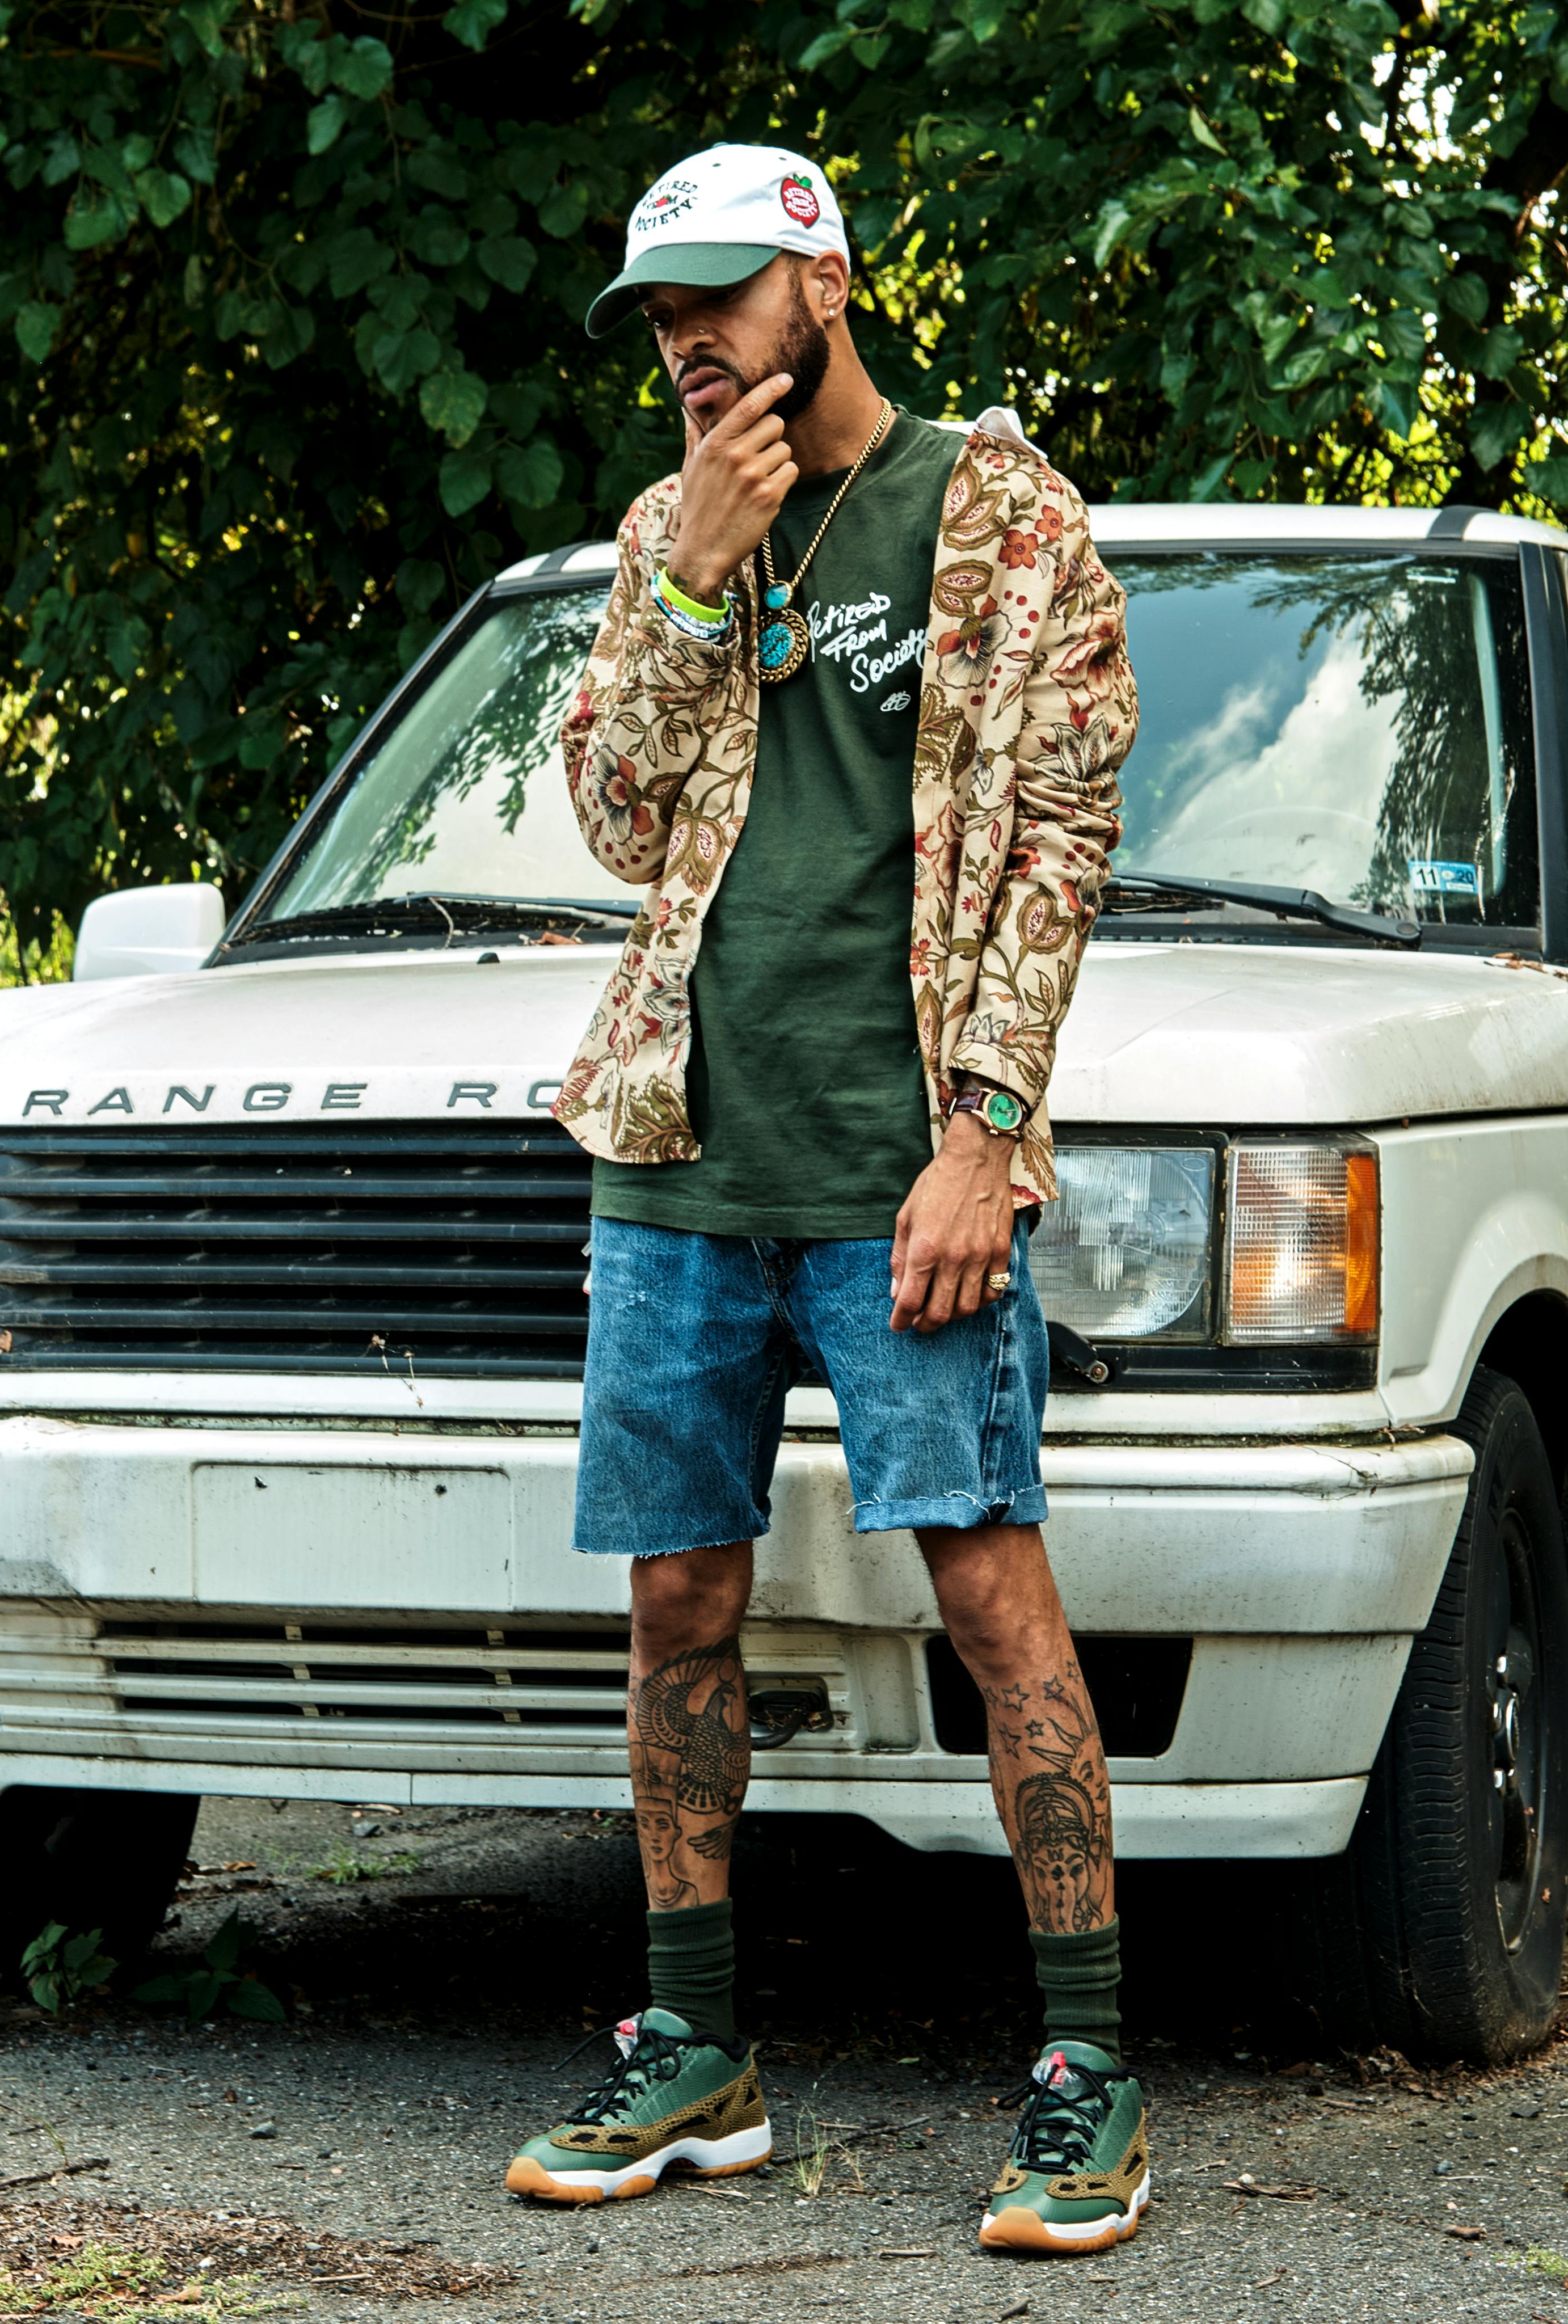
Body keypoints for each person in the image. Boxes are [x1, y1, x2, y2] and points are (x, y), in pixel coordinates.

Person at [502, 144, 1145, 2257]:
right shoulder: (665, 533)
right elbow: (611, 814)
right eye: (658, 315)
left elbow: (1059, 829)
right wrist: (693, 567)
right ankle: (692, 2043)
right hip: (679, 1157)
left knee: (985, 1594)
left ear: (825, 284)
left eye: (717, 297)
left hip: (903, 1175)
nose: (686, 340)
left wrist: (984, 1131)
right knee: (674, 1603)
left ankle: (1083, 2067)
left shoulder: (999, 509)